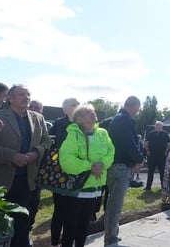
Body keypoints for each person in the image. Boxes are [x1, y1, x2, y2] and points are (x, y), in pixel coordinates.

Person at [0, 84, 52, 247]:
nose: (26, 97)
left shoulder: (38, 118)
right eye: (21, 94)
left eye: (28, 94)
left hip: (26, 182)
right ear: (10, 99)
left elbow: (47, 141)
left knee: (21, 227)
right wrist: (12, 156)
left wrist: (36, 153)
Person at [58, 104, 114, 247]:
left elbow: (110, 152)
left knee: (84, 227)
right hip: (77, 190)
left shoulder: (103, 133)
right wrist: (90, 167)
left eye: (93, 111)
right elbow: (66, 160)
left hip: (93, 188)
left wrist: (102, 164)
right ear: (80, 119)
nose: (93, 114)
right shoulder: (74, 134)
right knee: (70, 227)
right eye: (89, 112)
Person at [104, 96, 143, 246]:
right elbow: (128, 143)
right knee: (115, 204)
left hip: (116, 165)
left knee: (113, 203)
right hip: (119, 166)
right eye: (137, 109)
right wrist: (139, 158)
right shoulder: (124, 120)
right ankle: (111, 237)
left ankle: (112, 235)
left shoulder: (119, 118)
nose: (137, 113)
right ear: (133, 106)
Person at [48, 97, 80, 246]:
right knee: (59, 209)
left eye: (77, 104)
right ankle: (54, 242)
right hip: (59, 171)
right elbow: (51, 144)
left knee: (73, 210)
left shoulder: (82, 124)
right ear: (64, 109)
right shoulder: (59, 124)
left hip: (77, 171)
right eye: (73, 105)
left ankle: (68, 241)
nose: (77, 107)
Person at [144, 121, 170, 191]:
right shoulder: (151, 133)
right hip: (151, 155)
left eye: (159, 126)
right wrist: (147, 150)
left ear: (161, 127)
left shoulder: (165, 134)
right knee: (150, 171)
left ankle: (163, 187)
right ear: (155, 126)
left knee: (162, 172)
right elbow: (147, 142)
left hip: (161, 156)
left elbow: (168, 144)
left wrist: (166, 152)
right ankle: (148, 187)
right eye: (156, 126)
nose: (157, 127)